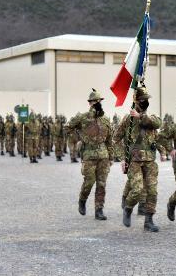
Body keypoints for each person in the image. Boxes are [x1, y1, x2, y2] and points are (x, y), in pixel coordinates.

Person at [114, 87, 163, 232]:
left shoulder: (151, 118)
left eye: (147, 100)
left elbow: (158, 124)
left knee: (152, 192)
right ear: (135, 101)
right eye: (142, 100)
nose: (145, 102)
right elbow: (115, 139)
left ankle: (149, 221)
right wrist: (122, 159)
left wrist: (140, 116)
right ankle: (128, 208)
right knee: (137, 189)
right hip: (134, 160)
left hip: (150, 161)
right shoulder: (127, 120)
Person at [69, 89, 113, 221]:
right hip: (89, 155)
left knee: (102, 184)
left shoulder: (105, 119)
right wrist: (80, 137)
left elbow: (109, 139)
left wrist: (111, 157)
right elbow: (68, 127)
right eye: (94, 101)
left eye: (99, 101)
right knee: (89, 181)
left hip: (103, 156)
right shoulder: (83, 117)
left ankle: (99, 210)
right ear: (90, 103)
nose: (97, 103)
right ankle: (82, 200)